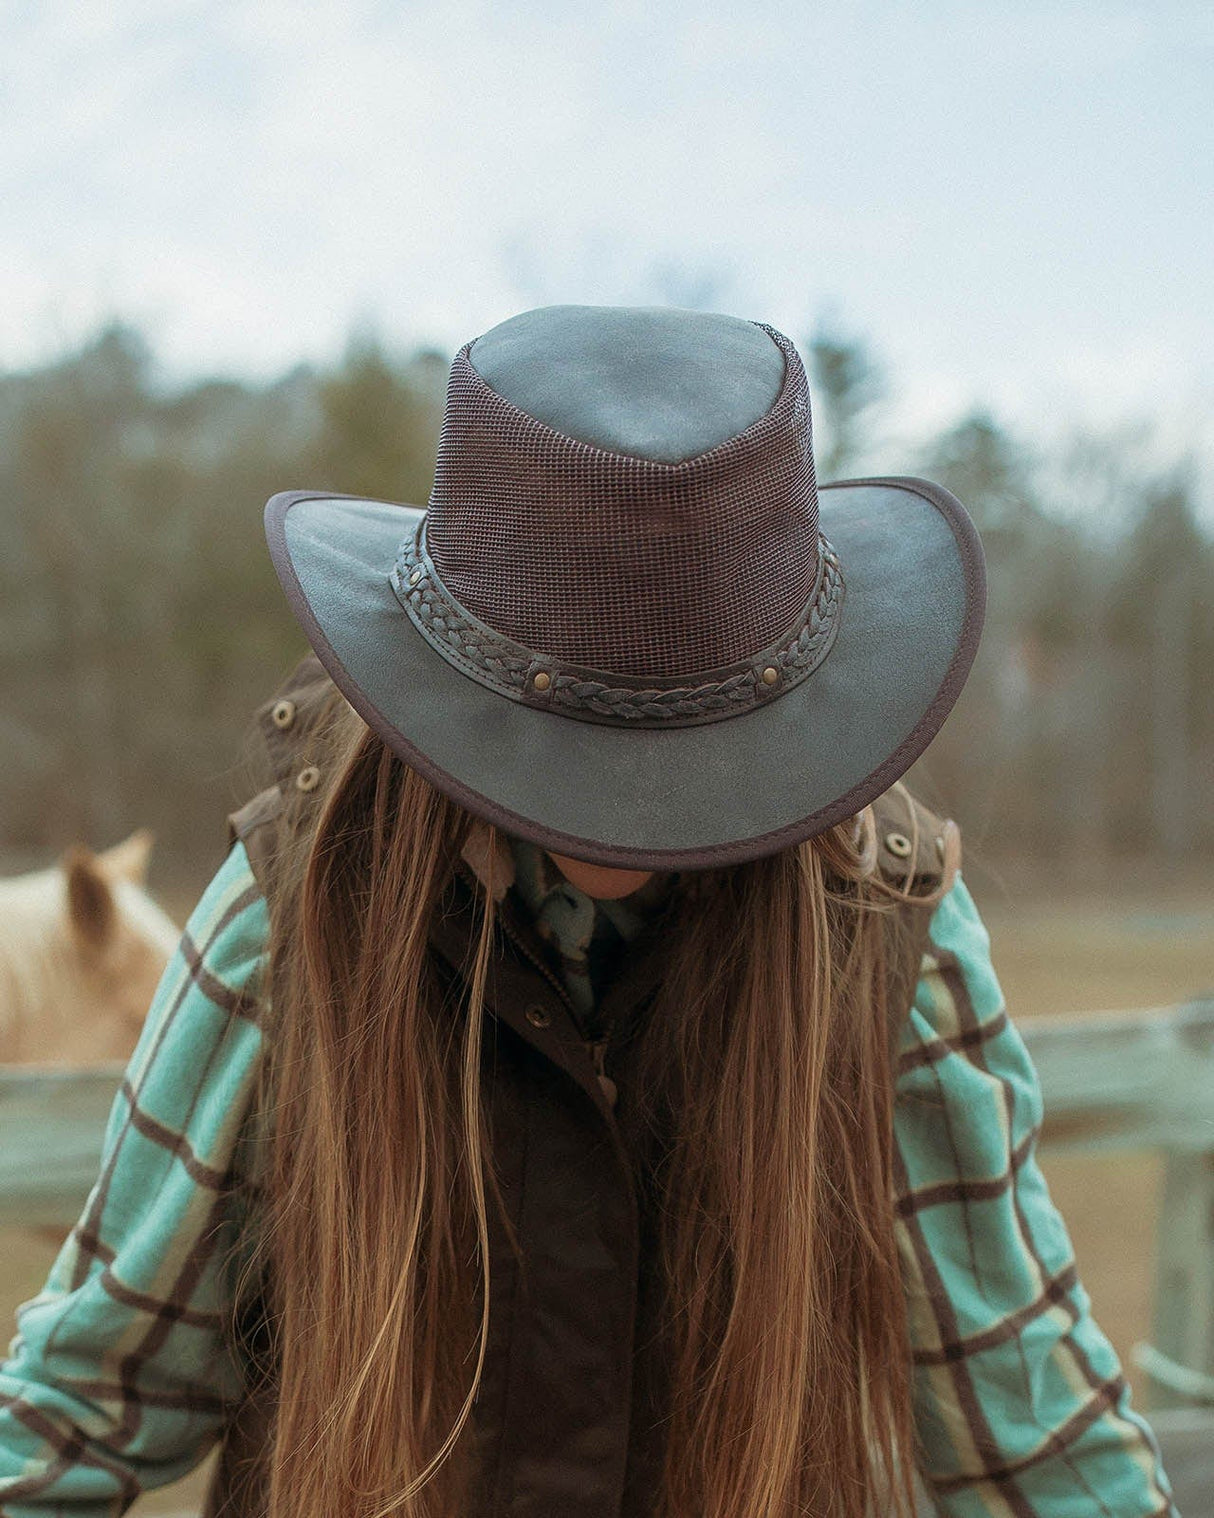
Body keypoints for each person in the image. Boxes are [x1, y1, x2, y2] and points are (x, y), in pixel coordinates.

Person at [0, 306, 1178, 1518]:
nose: (623, 811)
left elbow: (1031, 1435)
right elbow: (85, 1401)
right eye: (581, 745)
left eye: (678, 739)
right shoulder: (297, 910)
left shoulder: (881, 924)